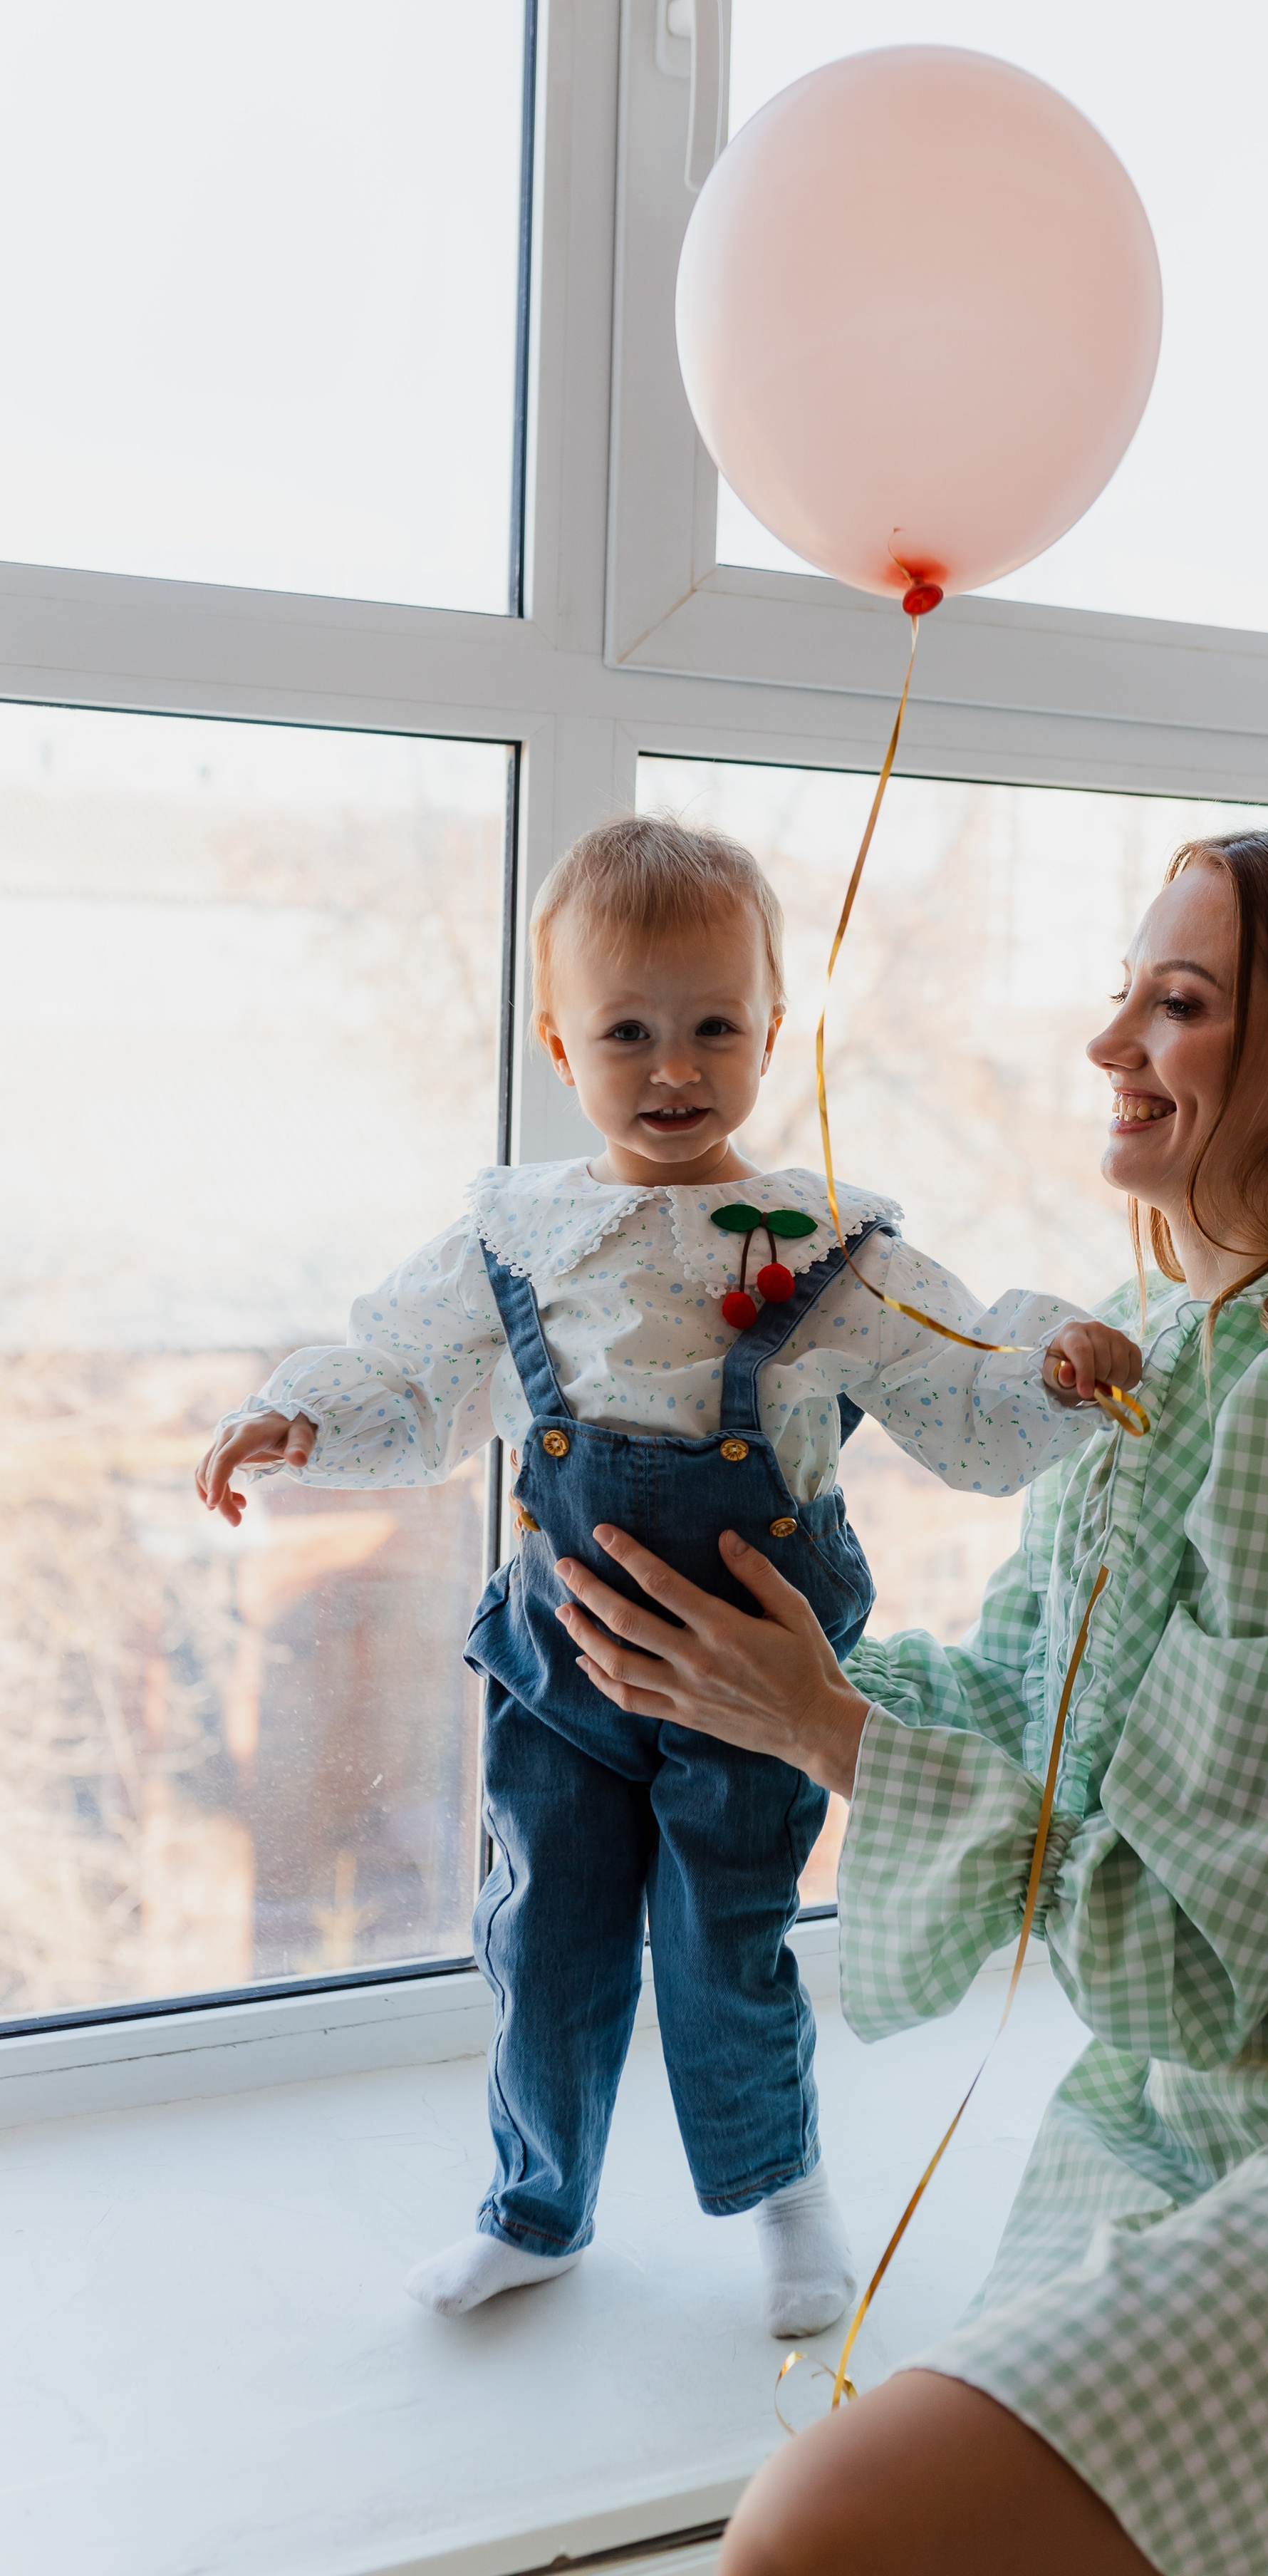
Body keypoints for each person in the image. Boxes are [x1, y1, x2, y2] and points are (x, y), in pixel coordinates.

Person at [550, 829, 1268, 2576]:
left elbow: (1175, 1945)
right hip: (1189, 2126)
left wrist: (824, 1730)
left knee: (820, 2527)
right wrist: (747, 1657)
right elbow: (1030, 1705)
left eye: (1179, 1006)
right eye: (1123, 997)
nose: (1108, 1047)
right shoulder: (1175, 1339)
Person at [193, 814, 1139, 2339]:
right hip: (561, 1667)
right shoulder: (518, 1237)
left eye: (712, 1025)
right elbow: (406, 1375)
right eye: (626, 1031)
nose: (673, 1066)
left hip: (754, 1687)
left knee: (726, 1949)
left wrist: (1055, 1371)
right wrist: (300, 1415)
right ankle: (534, 2205)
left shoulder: (831, 1246)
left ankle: (784, 2196)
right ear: (560, 1041)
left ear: (773, 1031)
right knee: (543, 1942)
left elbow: (962, 1396)